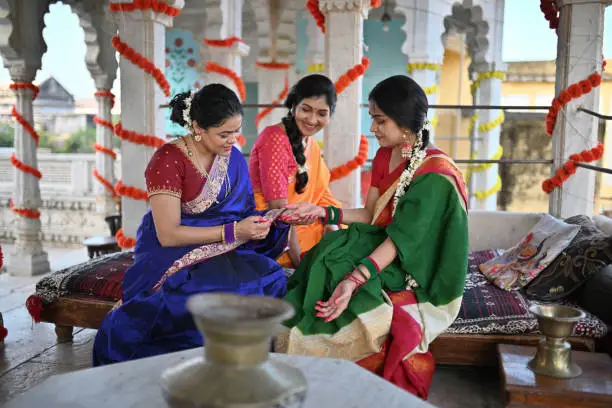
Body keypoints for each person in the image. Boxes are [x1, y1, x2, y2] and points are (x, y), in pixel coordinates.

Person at [276, 75, 469, 399]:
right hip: (383, 239)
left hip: (416, 261)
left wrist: (353, 280)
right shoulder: (385, 154)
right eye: (373, 119)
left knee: (340, 267)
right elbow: (369, 215)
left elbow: (401, 241)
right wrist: (323, 213)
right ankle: (299, 345)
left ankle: (324, 362)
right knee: (328, 247)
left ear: (406, 124)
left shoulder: (434, 175)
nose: (373, 128)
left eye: (380, 120)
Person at [92, 84, 290, 366]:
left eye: (236, 131)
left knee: (271, 277)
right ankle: (201, 369)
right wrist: (234, 231)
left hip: (226, 247)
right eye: (224, 134)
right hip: (174, 250)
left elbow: (241, 211)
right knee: (212, 295)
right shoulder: (167, 160)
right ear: (197, 126)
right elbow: (169, 234)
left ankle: (246, 365)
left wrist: (269, 222)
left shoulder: (231, 157)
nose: (233, 140)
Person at [248, 74, 341, 268]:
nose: (312, 119)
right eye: (306, 110)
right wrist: (301, 266)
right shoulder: (274, 139)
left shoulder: (311, 144)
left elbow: (321, 193)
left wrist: (332, 225)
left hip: (309, 228)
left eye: (322, 113)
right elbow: (280, 213)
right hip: (274, 237)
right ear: (294, 105)